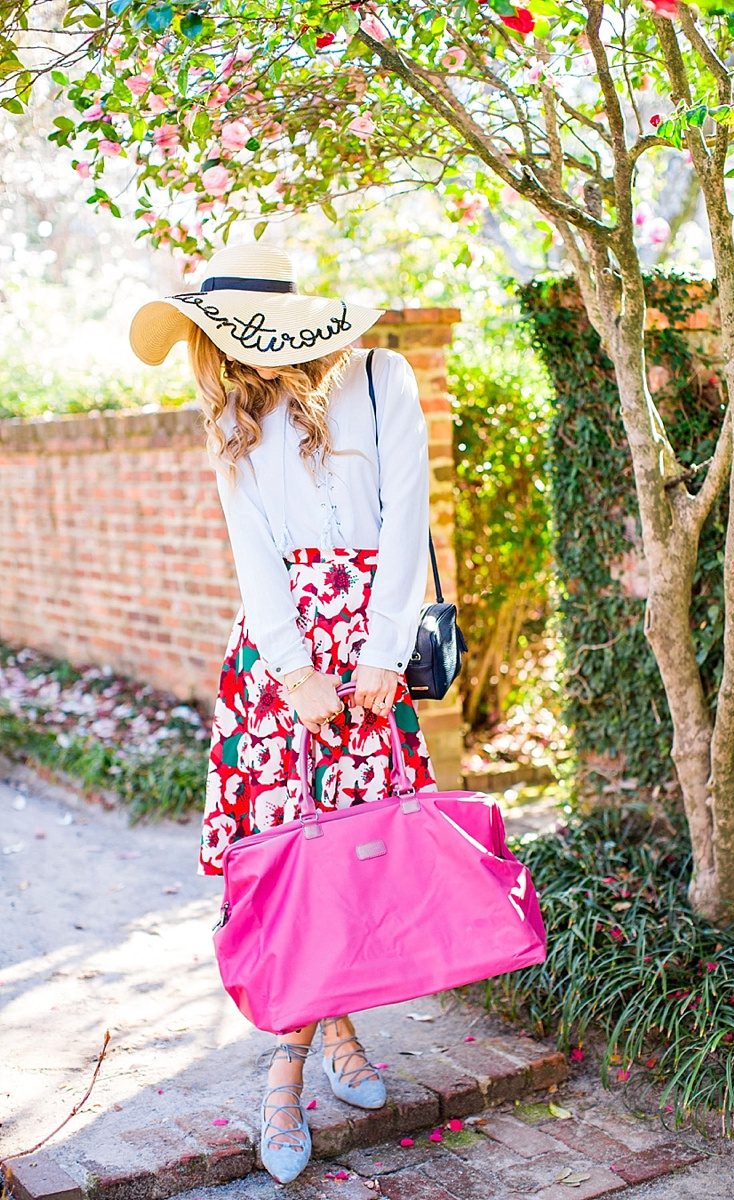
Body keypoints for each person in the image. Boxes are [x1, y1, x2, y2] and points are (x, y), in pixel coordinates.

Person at [129, 239, 438, 1184]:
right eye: (217, 333)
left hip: (372, 650)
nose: (230, 349)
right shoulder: (228, 411)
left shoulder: (381, 377)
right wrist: (293, 668)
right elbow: (251, 550)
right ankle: (306, 1053)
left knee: (349, 854)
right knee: (287, 859)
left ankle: (301, 1052)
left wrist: (382, 654)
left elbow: (406, 515)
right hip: (279, 662)